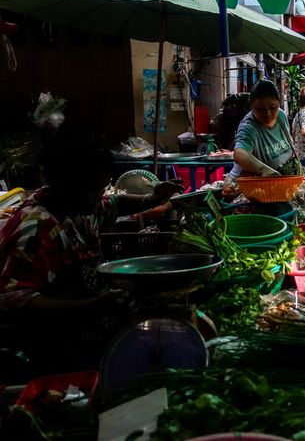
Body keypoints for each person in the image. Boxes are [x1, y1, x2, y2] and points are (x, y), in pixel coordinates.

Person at [0, 138, 183, 373]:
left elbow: (115, 203)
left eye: (102, 188)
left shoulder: (80, 207)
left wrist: (152, 199)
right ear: (64, 185)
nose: (100, 196)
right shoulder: (37, 229)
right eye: (94, 190)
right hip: (55, 351)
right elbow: (18, 301)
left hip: (90, 333)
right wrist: (93, 304)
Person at [230, 79, 304, 180]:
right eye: (260, 109)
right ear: (251, 106)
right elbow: (240, 155)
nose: (268, 113)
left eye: (273, 107)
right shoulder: (249, 127)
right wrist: (267, 171)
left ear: (279, 103)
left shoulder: (281, 115)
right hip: (256, 185)